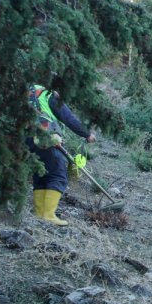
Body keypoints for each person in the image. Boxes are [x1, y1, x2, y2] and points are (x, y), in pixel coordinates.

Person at [27, 84, 96, 226]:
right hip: (47, 137)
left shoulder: (27, 93)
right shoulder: (48, 95)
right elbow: (68, 117)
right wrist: (87, 134)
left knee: (40, 173)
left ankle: (39, 214)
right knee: (58, 174)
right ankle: (49, 215)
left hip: (28, 140)